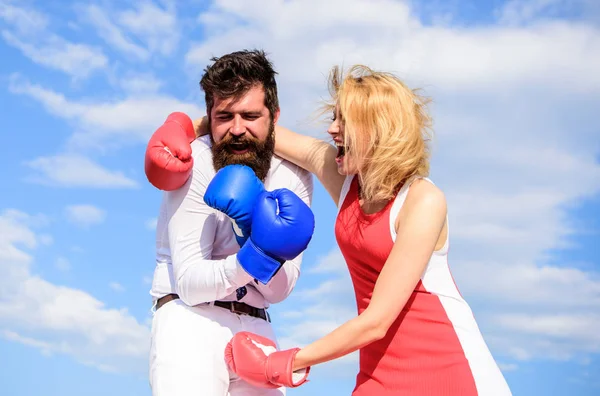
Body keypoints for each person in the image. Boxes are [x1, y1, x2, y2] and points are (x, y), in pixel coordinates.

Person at [157, 64, 513, 395]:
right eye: (334, 117)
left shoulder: (423, 200)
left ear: (381, 128)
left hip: (447, 366)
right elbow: (252, 129)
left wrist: (285, 363)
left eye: (346, 121)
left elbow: (377, 320)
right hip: (378, 370)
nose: (332, 129)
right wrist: (183, 127)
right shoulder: (345, 180)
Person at [145, 49, 314, 396]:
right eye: (225, 116)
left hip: (258, 328)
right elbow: (191, 283)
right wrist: (257, 257)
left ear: (274, 116)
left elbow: (280, 290)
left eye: (251, 115)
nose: (238, 129)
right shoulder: (196, 161)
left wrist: (254, 238)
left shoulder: (293, 173)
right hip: (190, 322)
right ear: (209, 116)